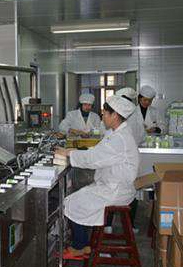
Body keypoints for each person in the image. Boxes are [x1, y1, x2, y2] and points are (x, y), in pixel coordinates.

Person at [55, 95, 139, 258]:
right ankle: (83, 243)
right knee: (75, 198)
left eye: (105, 113)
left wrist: (68, 154)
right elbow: (98, 152)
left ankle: (81, 246)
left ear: (115, 115)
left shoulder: (119, 138)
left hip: (115, 190)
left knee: (70, 202)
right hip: (113, 185)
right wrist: (71, 152)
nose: (102, 116)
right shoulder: (116, 133)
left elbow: (94, 158)